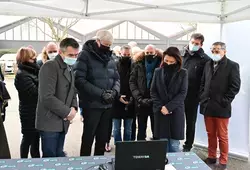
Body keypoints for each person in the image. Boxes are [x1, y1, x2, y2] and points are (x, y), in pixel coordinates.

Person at [74, 30, 120, 156]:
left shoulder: (110, 57)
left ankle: (99, 162)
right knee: (88, 138)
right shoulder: (84, 55)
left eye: (109, 45)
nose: (107, 48)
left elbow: (116, 78)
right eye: (105, 45)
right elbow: (79, 80)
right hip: (91, 104)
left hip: (107, 105)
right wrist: (101, 94)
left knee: (102, 138)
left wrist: (114, 92)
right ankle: (84, 163)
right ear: (97, 41)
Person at [200, 42, 241, 170]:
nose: (214, 53)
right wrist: (202, 98)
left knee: (222, 136)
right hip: (208, 106)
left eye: (217, 50)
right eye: (212, 50)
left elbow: (235, 87)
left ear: (224, 51)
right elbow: (203, 83)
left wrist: (225, 100)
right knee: (210, 133)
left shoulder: (232, 66)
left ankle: (223, 161)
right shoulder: (208, 64)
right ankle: (211, 156)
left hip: (222, 107)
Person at [36, 38, 79, 158]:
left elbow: (73, 90)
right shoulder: (50, 66)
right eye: (71, 55)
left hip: (63, 121)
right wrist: (67, 112)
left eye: (76, 55)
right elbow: (46, 97)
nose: (74, 58)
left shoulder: (69, 67)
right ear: (61, 52)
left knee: (59, 154)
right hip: (50, 121)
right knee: (50, 157)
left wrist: (74, 108)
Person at [150, 47, 188, 152]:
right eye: (166, 61)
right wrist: (161, 107)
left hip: (176, 111)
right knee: (162, 146)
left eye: (171, 62)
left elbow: (183, 93)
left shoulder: (183, 73)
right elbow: (153, 91)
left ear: (177, 60)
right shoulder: (158, 71)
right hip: (160, 112)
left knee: (174, 145)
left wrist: (169, 107)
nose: (168, 63)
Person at [182, 33, 210, 152]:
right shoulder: (181, 55)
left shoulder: (205, 59)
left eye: (196, 44)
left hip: (193, 96)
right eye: (192, 42)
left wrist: (200, 96)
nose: (193, 45)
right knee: (176, 120)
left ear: (201, 45)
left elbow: (206, 79)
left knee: (190, 122)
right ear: (189, 41)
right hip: (178, 95)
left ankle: (188, 145)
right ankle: (174, 142)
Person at [130, 44, 162, 140]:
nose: (149, 54)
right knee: (141, 128)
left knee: (156, 128)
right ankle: (141, 148)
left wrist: (156, 98)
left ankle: (156, 150)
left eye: (151, 52)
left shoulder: (161, 64)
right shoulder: (137, 64)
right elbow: (132, 82)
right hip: (141, 101)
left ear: (155, 53)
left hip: (155, 101)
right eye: (147, 52)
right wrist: (139, 98)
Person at [14, 47, 40, 158]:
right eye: (32, 57)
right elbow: (34, 93)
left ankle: (36, 161)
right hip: (29, 112)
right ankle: (23, 161)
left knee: (35, 139)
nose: (34, 59)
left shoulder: (31, 70)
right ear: (25, 58)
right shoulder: (22, 74)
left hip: (35, 110)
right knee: (28, 138)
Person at [112, 45, 134, 143]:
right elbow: (112, 82)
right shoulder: (114, 65)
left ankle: (127, 146)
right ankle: (118, 145)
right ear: (120, 53)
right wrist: (118, 95)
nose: (126, 56)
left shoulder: (135, 65)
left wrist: (133, 97)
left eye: (128, 54)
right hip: (117, 100)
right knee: (116, 128)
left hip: (131, 100)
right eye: (124, 54)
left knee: (128, 128)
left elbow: (136, 82)